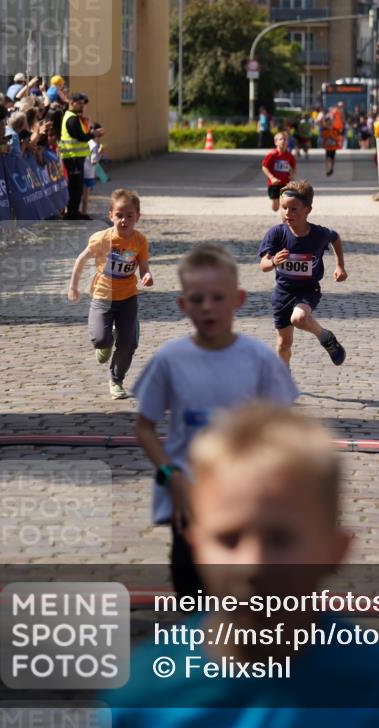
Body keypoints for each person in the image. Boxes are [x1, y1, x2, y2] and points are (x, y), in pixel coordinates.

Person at [109, 403, 379, 726]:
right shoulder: (145, 692)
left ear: (336, 551)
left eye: (280, 539)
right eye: (229, 539)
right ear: (195, 547)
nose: (253, 563)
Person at [133, 243, 299, 597]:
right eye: (197, 299)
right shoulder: (169, 360)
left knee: (244, 595)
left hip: (247, 499)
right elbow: (144, 426)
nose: (207, 307)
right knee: (191, 590)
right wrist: (168, 473)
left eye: (218, 297)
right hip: (188, 497)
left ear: (238, 299)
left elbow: (284, 428)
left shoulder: (261, 360)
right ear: (182, 305)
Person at [68, 188, 152, 399]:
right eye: (119, 215)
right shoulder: (101, 239)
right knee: (100, 340)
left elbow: (143, 266)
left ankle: (116, 380)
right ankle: (105, 341)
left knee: (128, 343)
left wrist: (147, 276)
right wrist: (73, 286)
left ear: (137, 217)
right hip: (102, 297)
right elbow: (81, 259)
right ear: (111, 216)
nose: (124, 220)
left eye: (129, 216)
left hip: (128, 298)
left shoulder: (140, 241)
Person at [258, 180, 347, 368]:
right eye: (284, 208)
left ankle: (325, 336)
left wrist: (340, 265)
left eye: (294, 209)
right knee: (283, 344)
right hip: (283, 292)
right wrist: (273, 261)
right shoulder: (276, 234)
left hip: (308, 289)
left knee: (298, 318)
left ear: (308, 210)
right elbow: (263, 265)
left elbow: (335, 237)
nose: (287, 213)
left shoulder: (318, 234)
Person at [59, 92, 105, 220]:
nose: (82, 106)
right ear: (71, 103)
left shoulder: (73, 116)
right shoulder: (71, 118)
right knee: (75, 187)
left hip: (75, 156)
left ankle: (74, 211)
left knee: (77, 186)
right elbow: (79, 136)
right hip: (72, 156)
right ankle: (71, 213)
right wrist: (93, 134)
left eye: (82, 104)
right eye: (79, 103)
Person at [262, 131, 296, 213]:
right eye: (281, 139)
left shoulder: (289, 156)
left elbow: (293, 167)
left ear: (288, 142)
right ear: (276, 142)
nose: (283, 141)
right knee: (275, 208)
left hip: (285, 183)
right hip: (274, 184)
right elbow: (264, 167)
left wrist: (292, 175)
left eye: (285, 139)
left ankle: (284, 219)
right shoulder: (272, 155)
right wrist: (272, 178)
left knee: (284, 204)